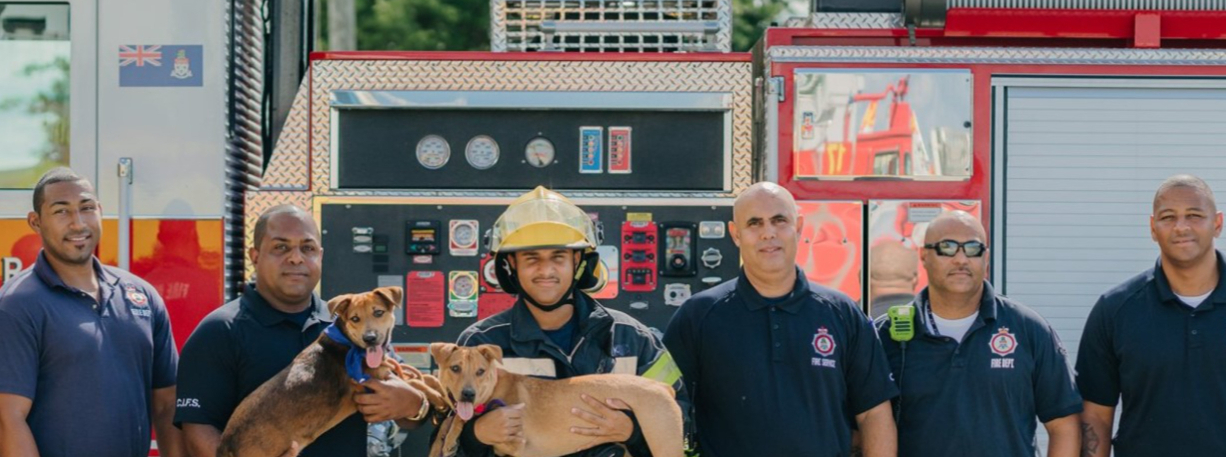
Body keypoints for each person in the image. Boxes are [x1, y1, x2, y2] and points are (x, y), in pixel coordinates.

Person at [664, 182, 898, 457]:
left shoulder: (842, 313)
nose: (768, 233)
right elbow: (664, 404)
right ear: (735, 234)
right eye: (754, 223)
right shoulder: (699, 315)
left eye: (779, 221)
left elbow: (873, 414)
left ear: (798, 227)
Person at [174, 205, 428, 457]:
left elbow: (411, 410)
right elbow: (198, 428)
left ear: (320, 255)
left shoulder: (353, 324)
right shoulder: (220, 331)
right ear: (254, 256)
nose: (296, 258)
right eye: (281, 247)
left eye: (307, 248)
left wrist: (413, 405)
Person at [454, 186, 682, 457]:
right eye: (532, 258)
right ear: (511, 264)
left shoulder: (630, 338)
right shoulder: (481, 343)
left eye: (558, 257)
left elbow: (684, 422)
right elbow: (447, 440)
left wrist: (630, 432)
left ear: (577, 261)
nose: (546, 270)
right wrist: (477, 436)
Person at [0, 167, 184, 457]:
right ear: (35, 222)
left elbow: (167, 404)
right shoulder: (15, 308)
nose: (78, 223)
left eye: (86, 208)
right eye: (61, 211)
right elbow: (6, 420)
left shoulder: (142, 296)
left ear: (100, 211)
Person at [1076, 174, 1226, 457]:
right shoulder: (1115, 310)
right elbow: (1096, 418)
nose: (1181, 227)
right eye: (1167, 217)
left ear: (1218, 223)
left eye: (1194, 215)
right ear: (1153, 228)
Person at [875, 211, 1080, 457]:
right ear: (924, 256)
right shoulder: (887, 335)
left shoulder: (1028, 329)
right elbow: (864, 424)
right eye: (947, 247)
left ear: (986, 258)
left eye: (973, 248)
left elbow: (1064, 424)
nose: (961, 259)